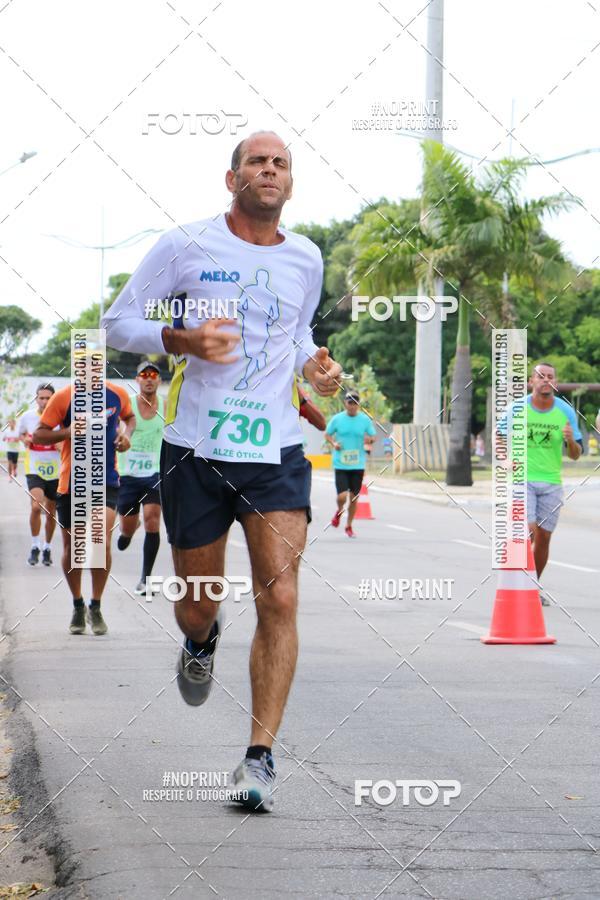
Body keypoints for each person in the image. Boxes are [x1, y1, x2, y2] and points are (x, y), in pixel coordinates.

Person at [101, 130, 342, 813]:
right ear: (231, 178)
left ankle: (259, 758)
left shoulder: (306, 256)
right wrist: (178, 338)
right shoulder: (186, 244)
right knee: (198, 601)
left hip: (276, 452)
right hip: (195, 452)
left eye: (280, 163)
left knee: (281, 598)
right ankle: (200, 638)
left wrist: (316, 368)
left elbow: (296, 336)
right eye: (256, 162)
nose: (269, 170)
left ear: (290, 183)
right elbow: (117, 323)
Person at [33, 380, 135, 635]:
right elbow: (39, 434)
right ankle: (78, 605)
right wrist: (68, 431)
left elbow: (130, 418)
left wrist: (126, 436)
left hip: (105, 480)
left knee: (101, 540)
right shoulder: (64, 397)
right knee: (74, 548)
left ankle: (96, 605)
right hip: (72, 482)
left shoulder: (117, 393)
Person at [526, 363, 582, 605]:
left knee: (544, 537)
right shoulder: (518, 408)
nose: (545, 380)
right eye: (541, 376)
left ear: (555, 383)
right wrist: (505, 460)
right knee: (527, 531)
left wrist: (571, 441)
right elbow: (499, 435)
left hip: (551, 482)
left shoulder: (565, 411)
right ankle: (516, 585)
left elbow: (576, 455)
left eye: (550, 376)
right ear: (532, 381)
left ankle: (531, 587)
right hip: (523, 480)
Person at [117, 361, 164, 598]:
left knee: (152, 520)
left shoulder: (166, 405)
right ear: (137, 380)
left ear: (159, 380)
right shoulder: (126, 405)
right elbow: (114, 429)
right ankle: (128, 530)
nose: (148, 378)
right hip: (128, 475)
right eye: (144, 375)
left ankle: (146, 579)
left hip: (154, 473)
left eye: (153, 375)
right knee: (125, 530)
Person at [18, 384, 61, 566]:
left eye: (48, 398)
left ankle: (47, 548)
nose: (44, 401)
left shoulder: (61, 418)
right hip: (34, 469)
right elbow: (21, 434)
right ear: (36, 399)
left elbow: (70, 438)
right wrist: (25, 440)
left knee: (51, 512)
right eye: (41, 398)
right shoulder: (28, 416)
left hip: (56, 471)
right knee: (36, 507)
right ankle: (35, 545)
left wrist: (61, 445)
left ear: (53, 399)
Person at [325, 392, 377, 538]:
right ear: (345, 403)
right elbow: (327, 434)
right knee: (342, 496)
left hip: (358, 464)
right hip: (340, 463)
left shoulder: (364, 420)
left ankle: (348, 526)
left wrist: (370, 440)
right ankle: (339, 511)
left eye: (355, 403)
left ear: (358, 404)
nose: (352, 406)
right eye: (350, 403)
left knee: (354, 498)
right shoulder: (337, 419)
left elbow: (373, 436)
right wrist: (334, 443)